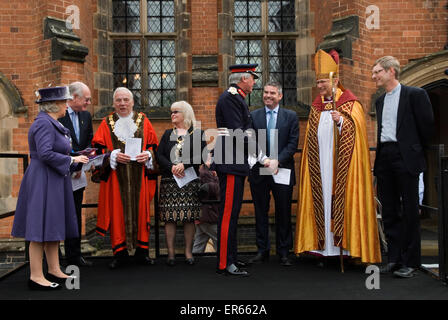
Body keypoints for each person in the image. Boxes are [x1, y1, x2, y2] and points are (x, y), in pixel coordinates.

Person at [294, 49, 381, 265]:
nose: (320, 86)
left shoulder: (351, 104)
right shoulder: (316, 107)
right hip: (320, 168)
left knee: (340, 202)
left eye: (323, 81)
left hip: (343, 169)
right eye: (318, 82)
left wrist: (342, 121)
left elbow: (358, 132)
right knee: (322, 203)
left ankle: (345, 249)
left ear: (335, 80)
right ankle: (323, 251)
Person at [11, 86, 89, 290]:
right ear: (55, 105)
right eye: (64, 102)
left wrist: (73, 159)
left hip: (53, 179)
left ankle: (53, 268)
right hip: (43, 180)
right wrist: (71, 158)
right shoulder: (44, 124)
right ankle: (36, 276)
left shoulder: (50, 122)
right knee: (39, 228)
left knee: (52, 225)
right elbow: (45, 153)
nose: (67, 105)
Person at [372, 56, 434, 278]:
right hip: (385, 158)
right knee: (389, 211)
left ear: (391, 71)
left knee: (410, 211)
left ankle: (412, 262)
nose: (374, 76)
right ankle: (395, 259)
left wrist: (415, 151)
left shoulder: (415, 95)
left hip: (406, 157)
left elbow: (427, 127)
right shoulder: (379, 101)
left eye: (378, 71)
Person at [214, 63, 274, 276]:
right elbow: (239, 133)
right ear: (243, 79)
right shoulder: (231, 98)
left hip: (236, 162)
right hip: (231, 162)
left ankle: (230, 256)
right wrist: (262, 158)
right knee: (228, 214)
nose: (255, 82)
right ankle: (224, 262)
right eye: (253, 78)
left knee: (233, 212)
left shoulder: (236, 98)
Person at [92, 87, 158, 269]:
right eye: (118, 100)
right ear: (113, 103)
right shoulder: (106, 123)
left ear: (132, 102)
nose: (122, 103)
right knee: (117, 213)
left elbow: (154, 147)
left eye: (126, 100)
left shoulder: (144, 121)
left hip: (140, 180)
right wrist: (111, 155)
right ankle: (119, 254)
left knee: (141, 211)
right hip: (115, 180)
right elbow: (97, 153)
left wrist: (149, 155)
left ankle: (142, 253)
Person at [248, 82, 299, 266]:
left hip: (282, 169)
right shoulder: (253, 116)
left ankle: (284, 252)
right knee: (260, 211)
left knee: (284, 211)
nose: (268, 96)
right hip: (259, 171)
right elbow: (251, 142)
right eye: (265, 92)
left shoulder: (291, 116)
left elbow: (293, 143)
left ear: (280, 96)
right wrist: (265, 160)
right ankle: (262, 250)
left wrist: (278, 159)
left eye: (272, 93)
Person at [156, 101, 207, 266]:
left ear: (185, 113)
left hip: (189, 180)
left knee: (189, 217)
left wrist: (184, 165)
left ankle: (188, 253)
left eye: (175, 112)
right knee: (169, 218)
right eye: (171, 112)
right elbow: (159, 155)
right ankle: (170, 254)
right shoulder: (167, 134)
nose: (172, 115)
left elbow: (201, 156)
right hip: (169, 180)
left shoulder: (198, 134)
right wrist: (171, 167)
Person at [58, 81, 93, 267]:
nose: (88, 103)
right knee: (58, 215)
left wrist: (81, 166)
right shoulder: (58, 116)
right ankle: (56, 259)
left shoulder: (86, 116)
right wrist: (73, 164)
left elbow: (88, 142)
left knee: (75, 214)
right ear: (74, 97)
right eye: (86, 99)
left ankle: (74, 255)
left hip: (79, 176)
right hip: (62, 174)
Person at [192, 165, 220, 254]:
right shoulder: (204, 172)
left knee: (199, 243)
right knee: (219, 241)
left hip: (203, 215)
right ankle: (223, 260)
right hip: (210, 215)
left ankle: (194, 262)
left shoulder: (202, 171)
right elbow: (217, 188)